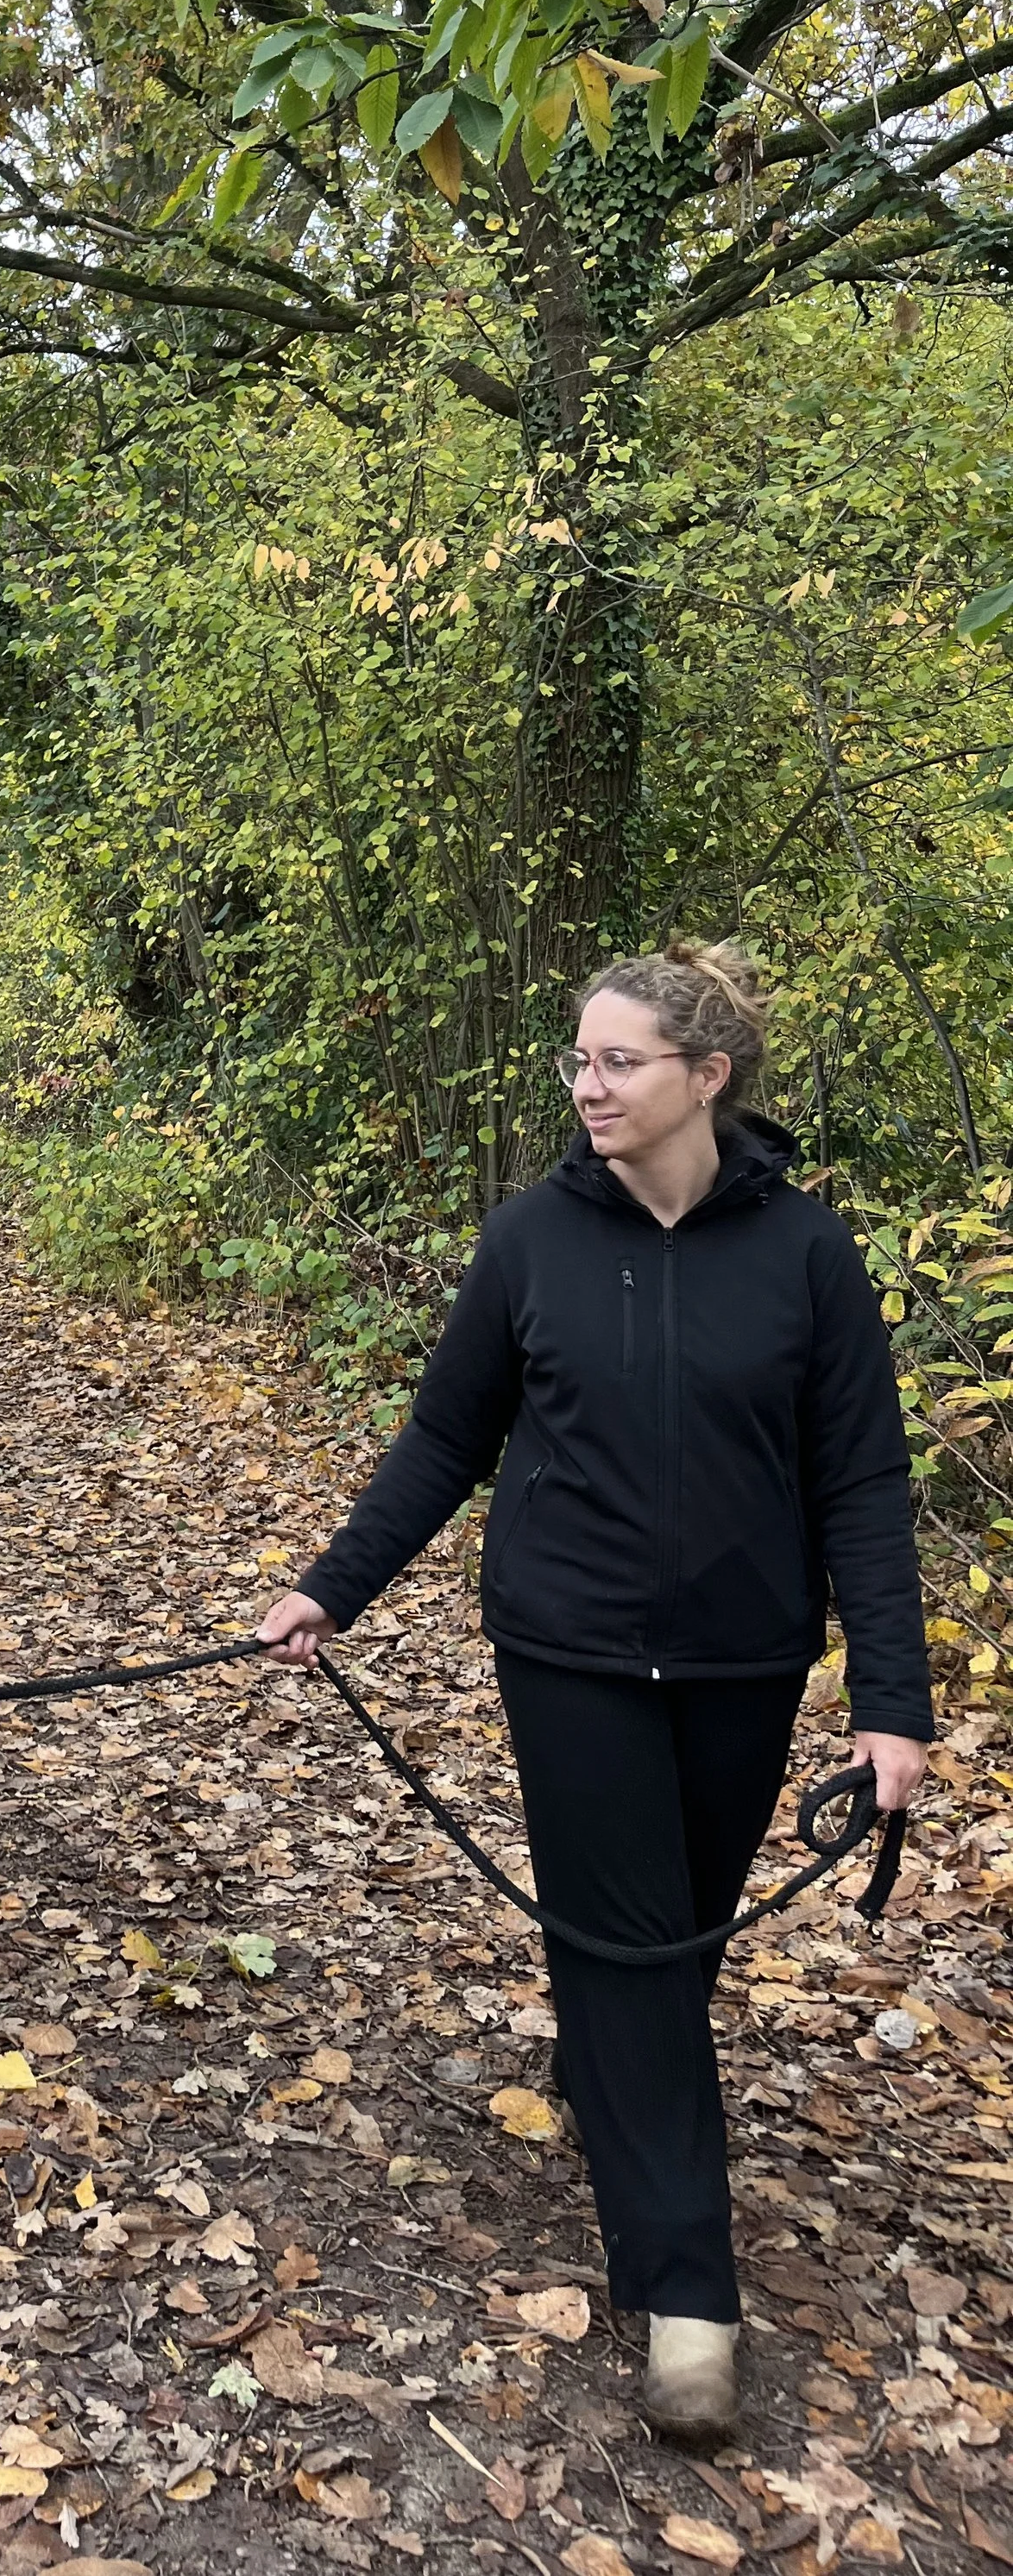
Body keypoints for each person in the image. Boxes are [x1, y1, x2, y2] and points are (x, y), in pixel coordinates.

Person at [259, 940, 930, 2441]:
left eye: (618, 1059)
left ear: (710, 1075)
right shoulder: (530, 1243)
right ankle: (687, 2290)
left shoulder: (808, 1257)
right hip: (567, 1651)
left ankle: (614, 2070)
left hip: (749, 1658)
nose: (587, 1084)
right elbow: (445, 1441)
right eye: (578, 1057)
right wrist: (333, 1585)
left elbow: (865, 1485)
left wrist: (891, 1695)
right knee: (630, 1944)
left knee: (672, 1935)